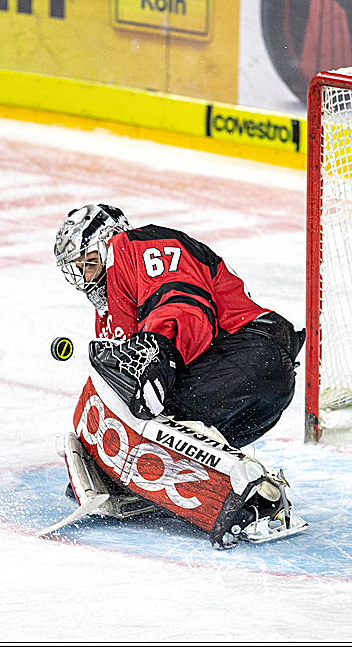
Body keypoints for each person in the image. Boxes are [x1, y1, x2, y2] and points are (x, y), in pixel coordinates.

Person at [53, 204, 307, 546]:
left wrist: (158, 352)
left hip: (248, 353)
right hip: (250, 387)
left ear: (108, 242)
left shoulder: (135, 247)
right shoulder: (111, 309)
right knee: (146, 402)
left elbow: (183, 304)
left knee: (153, 400)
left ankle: (252, 492)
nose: (86, 277)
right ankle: (248, 490)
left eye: (89, 263)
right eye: (78, 269)